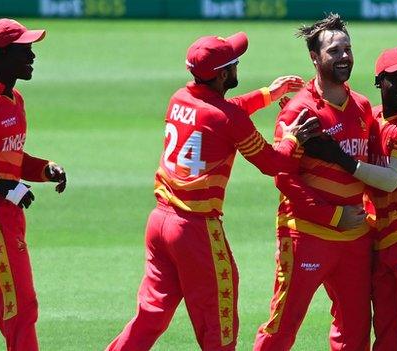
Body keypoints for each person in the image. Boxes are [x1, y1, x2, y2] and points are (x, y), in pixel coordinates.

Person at [106, 32, 319, 351]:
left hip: (159, 224)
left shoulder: (180, 98)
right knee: (218, 320)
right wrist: (292, 138)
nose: (237, 67)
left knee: (150, 316)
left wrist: (267, 94)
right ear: (222, 74)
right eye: (234, 64)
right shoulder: (226, 118)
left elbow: (222, 111)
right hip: (195, 230)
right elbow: (272, 163)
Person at [304, 47, 397, 350]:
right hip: (380, 237)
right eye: (396, 79)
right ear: (379, 81)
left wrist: (338, 158)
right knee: (386, 326)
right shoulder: (372, 118)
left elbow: (391, 179)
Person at [254, 14, 373, 351]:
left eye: (348, 49)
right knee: (282, 327)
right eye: (335, 51)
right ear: (314, 58)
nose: (345, 56)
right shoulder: (298, 111)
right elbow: (284, 177)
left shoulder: (362, 106)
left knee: (355, 333)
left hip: (354, 240)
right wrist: (333, 216)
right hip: (306, 236)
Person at [0, 18, 67, 351]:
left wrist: (45, 170)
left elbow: (10, 157)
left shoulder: (15, 99)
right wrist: (0, 187)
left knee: (12, 308)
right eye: (24, 51)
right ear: (0, 55)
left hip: (8, 219)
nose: (32, 57)